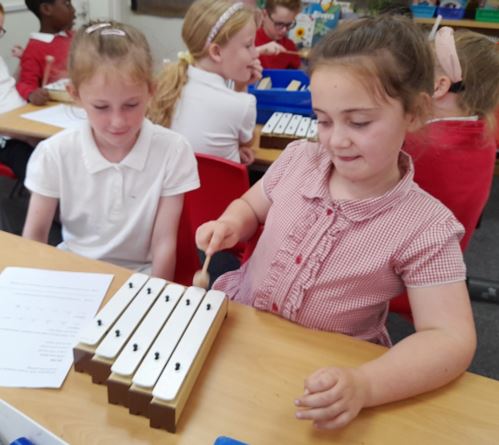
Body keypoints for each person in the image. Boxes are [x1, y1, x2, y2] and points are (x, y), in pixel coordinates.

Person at [196, 15, 476, 429]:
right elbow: (252, 206)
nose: (335, 140)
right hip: (243, 335)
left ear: (415, 112)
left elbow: (450, 339)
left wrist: (365, 384)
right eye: (323, 120)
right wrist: (231, 223)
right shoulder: (297, 160)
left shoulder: (426, 227)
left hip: (327, 377)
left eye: (359, 122)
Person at [22, 21, 200, 280]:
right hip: (73, 272)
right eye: (101, 107)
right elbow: (35, 238)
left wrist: (157, 300)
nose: (118, 122)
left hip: (139, 278)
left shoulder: (173, 150)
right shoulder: (54, 153)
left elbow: (164, 244)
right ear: (75, 94)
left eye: (131, 105)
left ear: (151, 90)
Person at [406, 27, 499, 250]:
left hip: (401, 269)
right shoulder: (484, 132)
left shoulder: (417, 146)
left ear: (439, 85)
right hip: (448, 259)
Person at [148, 0, 260, 165]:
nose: (256, 53)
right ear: (216, 52)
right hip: (223, 191)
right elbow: (248, 141)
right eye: (248, 45)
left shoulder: (170, 85)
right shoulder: (242, 104)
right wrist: (242, 87)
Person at [0, 2, 36, 181]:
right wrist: (24, 134)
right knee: (38, 171)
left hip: (20, 124)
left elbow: (8, 86)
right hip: (7, 138)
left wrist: (22, 63)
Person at [16, 0, 75, 105]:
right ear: (46, 9)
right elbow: (25, 83)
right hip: (59, 107)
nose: (73, 10)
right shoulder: (34, 48)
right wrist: (32, 94)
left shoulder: (73, 36)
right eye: (67, 4)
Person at [255, 0, 301, 69]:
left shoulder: (289, 46)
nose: (284, 30)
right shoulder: (249, 40)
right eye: (279, 24)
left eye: (288, 24)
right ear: (264, 15)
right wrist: (259, 50)